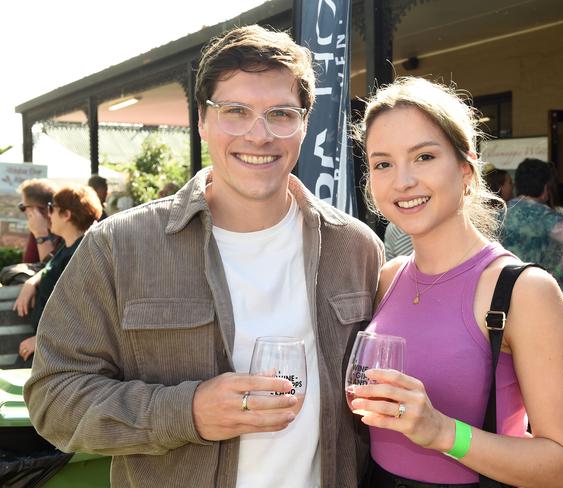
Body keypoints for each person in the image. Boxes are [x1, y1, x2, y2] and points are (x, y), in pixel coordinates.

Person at [24, 25, 383, 488]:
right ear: (202, 120)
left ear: (304, 124)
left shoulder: (356, 249)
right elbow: (53, 399)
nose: (260, 135)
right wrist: (187, 412)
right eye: (235, 111)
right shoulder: (119, 246)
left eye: (281, 114)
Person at [349, 78, 563, 487]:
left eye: (423, 156)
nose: (402, 180)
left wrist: (442, 432)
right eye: (382, 163)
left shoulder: (524, 292)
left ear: (466, 168)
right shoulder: (387, 279)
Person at [500, 158, 563, 384]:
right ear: (546, 188)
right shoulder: (558, 225)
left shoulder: (496, 218)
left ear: (516, 184)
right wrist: (554, 272)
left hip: (497, 318)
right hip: (542, 318)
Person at [13, 185, 102, 363]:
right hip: (47, 348)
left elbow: (81, 311)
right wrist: (32, 282)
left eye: (52, 208)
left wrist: (42, 340)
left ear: (67, 215)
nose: (49, 214)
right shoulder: (68, 246)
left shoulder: (80, 254)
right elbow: (50, 267)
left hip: (56, 353)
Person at [16, 179, 60, 263]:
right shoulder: (37, 229)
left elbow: (53, 271)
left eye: (23, 207)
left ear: (34, 210)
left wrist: (41, 235)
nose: (25, 212)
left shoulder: (65, 231)